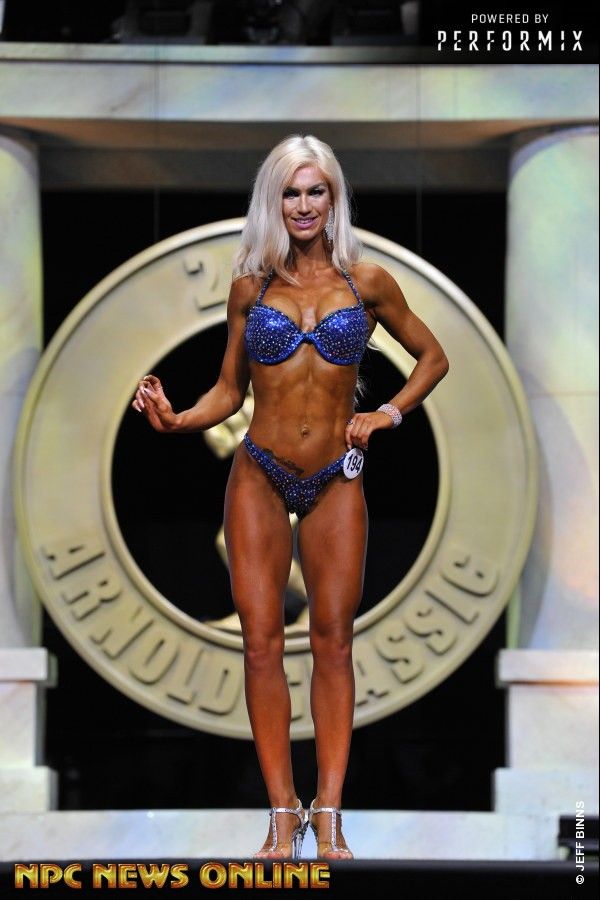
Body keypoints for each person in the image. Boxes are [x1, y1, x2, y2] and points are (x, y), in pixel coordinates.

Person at [132, 134, 449, 860]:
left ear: (333, 200)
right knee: (261, 645)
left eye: (315, 192)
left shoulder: (367, 283)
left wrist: (387, 413)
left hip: (337, 474)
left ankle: (328, 815)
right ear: (271, 202)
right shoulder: (251, 287)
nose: (303, 205)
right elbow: (227, 390)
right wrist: (177, 419)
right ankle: (282, 815)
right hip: (260, 475)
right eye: (290, 193)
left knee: (334, 644)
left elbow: (433, 358)